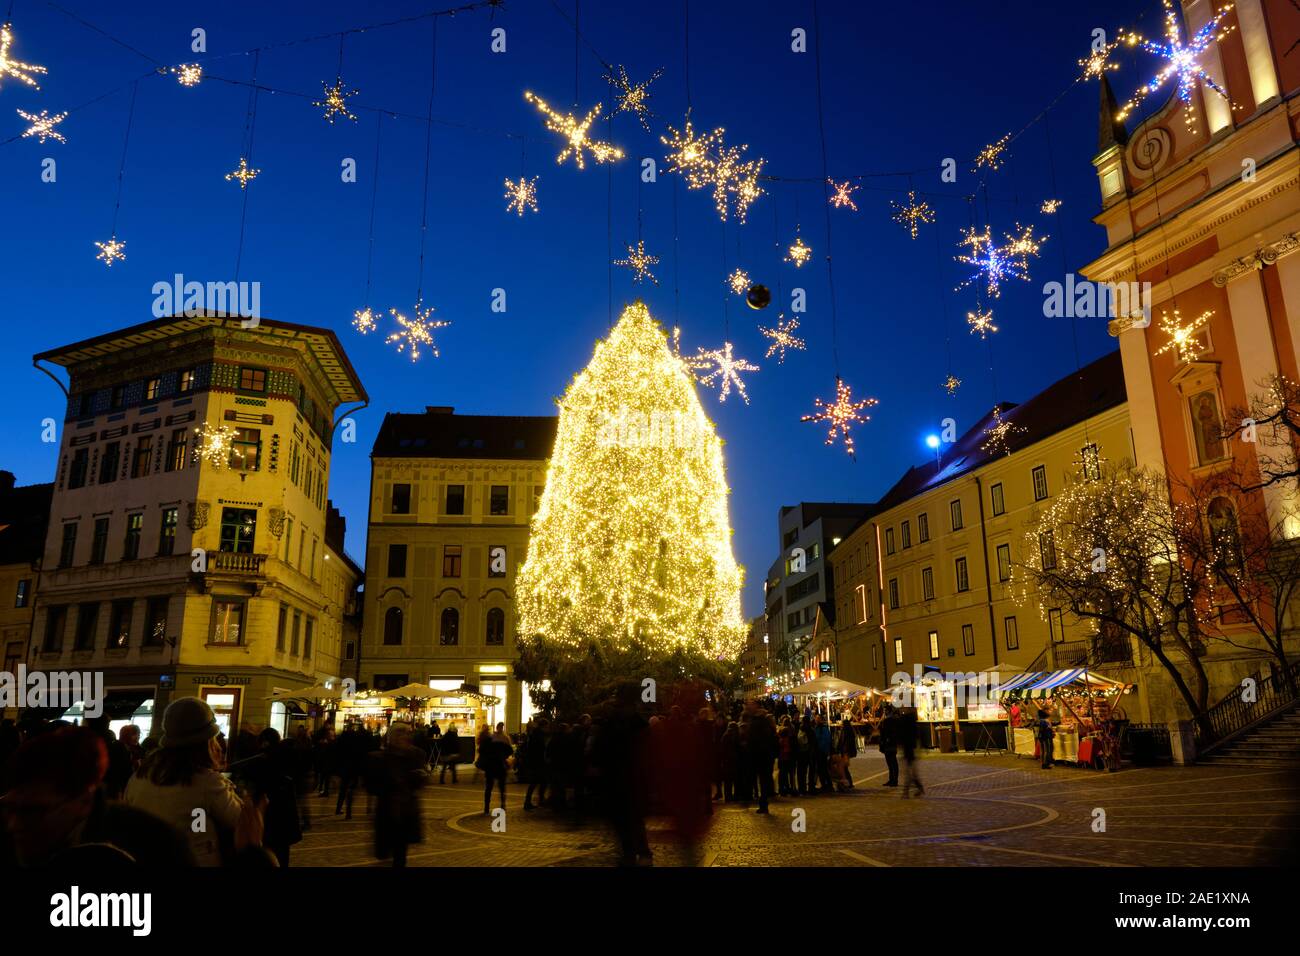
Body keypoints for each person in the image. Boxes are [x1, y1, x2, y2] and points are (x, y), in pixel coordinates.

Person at [0, 725, 197, 867]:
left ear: (84, 801)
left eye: (34, 811)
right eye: (9, 807)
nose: (13, 823)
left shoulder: (153, 844)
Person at [123, 697, 268, 865]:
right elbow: (242, 823)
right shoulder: (207, 783)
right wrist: (256, 810)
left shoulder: (140, 776)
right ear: (207, 742)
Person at [365, 722, 427, 867]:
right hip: (387, 811)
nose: (404, 737)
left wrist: (419, 777)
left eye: (407, 733)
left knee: (400, 853)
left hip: (406, 812)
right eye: (400, 733)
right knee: (383, 853)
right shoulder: (379, 758)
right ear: (391, 737)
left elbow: (420, 783)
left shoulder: (416, 755)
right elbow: (372, 786)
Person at [744, 699, 777, 814]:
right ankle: (762, 801)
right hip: (757, 754)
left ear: (757, 706)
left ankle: (763, 803)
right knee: (761, 779)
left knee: (763, 779)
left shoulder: (763, 719)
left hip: (763, 754)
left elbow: (769, 736)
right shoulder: (753, 718)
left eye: (751, 704)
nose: (749, 706)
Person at [479, 722, 510, 815]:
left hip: (490, 765)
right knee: (501, 787)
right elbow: (509, 751)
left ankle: (486, 807)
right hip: (500, 765)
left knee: (489, 787)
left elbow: (481, 750)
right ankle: (503, 805)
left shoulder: (490, 738)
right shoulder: (505, 739)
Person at [522, 718, 549, 810]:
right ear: (543, 726)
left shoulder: (534, 735)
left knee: (537, 782)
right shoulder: (539, 736)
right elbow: (540, 749)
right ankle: (531, 801)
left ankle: (531, 801)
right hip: (538, 762)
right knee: (538, 782)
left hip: (535, 762)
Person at [899, 706, 924, 798]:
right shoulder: (913, 723)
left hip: (908, 750)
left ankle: (906, 792)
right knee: (911, 772)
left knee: (908, 772)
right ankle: (919, 788)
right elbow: (918, 737)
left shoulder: (906, 722)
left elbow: (903, 737)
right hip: (910, 749)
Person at [878, 704, 900, 787]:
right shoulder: (887, 720)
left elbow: (888, 732)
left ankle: (894, 780)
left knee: (892, 762)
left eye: (885, 710)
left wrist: (886, 739)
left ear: (888, 711)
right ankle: (892, 779)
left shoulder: (890, 720)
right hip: (888, 743)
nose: (884, 712)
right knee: (890, 762)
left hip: (890, 743)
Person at [776, 716, 797, 796]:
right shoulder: (790, 736)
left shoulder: (780, 737)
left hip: (782, 757)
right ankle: (790, 788)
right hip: (788, 757)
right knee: (790, 774)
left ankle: (783, 789)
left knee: (783, 774)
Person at [813, 715, 834, 794]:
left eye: (818, 718)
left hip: (822, 752)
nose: (816, 720)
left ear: (821, 720)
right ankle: (825, 785)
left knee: (823, 769)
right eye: (816, 718)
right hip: (819, 752)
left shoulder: (823, 729)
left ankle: (828, 785)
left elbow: (826, 741)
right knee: (821, 769)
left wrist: (825, 750)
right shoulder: (817, 728)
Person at [836, 717, 858, 790]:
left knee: (844, 767)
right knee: (844, 767)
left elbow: (843, 742)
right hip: (846, 752)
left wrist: (842, 750)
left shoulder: (845, 732)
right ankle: (848, 783)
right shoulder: (849, 731)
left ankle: (848, 783)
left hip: (846, 752)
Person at [796, 715, 815, 795]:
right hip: (809, 753)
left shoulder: (800, 729)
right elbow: (813, 742)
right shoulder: (810, 729)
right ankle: (810, 788)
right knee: (810, 772)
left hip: (801, 753)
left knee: (801, 772)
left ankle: (801, 789)